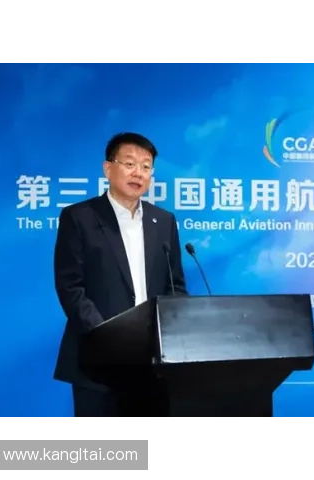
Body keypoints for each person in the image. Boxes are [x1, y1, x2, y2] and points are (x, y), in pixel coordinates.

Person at [52, 132, 188, 423]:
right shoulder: (79, 217)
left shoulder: (164, 221)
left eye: (146, 167)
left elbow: (175, 286)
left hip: (154, 362)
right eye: (129, 163)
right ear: (108, 168)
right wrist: (107, 335)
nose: (138, 172)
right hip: (98, 360)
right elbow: (71, 287)